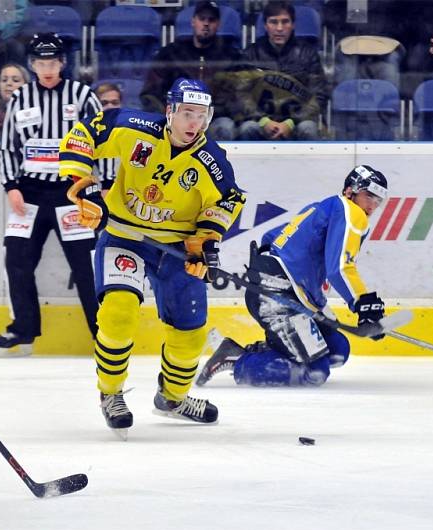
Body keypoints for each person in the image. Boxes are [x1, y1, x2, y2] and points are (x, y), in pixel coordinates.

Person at [59, 78, 246, 436]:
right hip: (124, 235)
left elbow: (227, 201)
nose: (194, 123)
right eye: (187, 113)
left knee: (190, 333)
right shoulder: (134, 127)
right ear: (170, 112)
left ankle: (173, 399)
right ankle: (110, 394)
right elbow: (83, 134)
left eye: (202, 115)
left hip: (176, 249)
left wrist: (204, 241)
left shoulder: (213, 162)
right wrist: (84, 186)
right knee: (118, 313)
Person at [196, 165, 388, 388]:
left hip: (281, 291)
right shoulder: (351, 211)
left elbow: (270, 237)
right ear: (350, 191)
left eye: (379, 200)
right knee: (313, 372)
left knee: (337, 350)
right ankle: (237, 359)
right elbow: (339, 268)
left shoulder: (323, 207)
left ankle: (274, 348)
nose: (373, 205)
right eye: (369, 195)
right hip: (276, 296)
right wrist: (363, 303)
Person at [0, 33, 101, 357]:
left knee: (87, 266)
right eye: (41, 63)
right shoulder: (20, 98)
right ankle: (23, 330)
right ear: (32, 64)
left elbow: (104, 138)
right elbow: (8, 147)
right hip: (30, 192)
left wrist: (105, 183)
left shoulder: (82, 96)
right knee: (17, 260)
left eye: (52, 62)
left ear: (63, 63)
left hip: (73, 194)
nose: (47, 69)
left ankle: (104, 332)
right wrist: (11, 186)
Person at [213, 0, 328, 141]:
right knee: (248, 127)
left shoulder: (308, 54)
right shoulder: (250, 54)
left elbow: (319, 96)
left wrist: (290, 123)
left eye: (285, 22)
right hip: (259, 120)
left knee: (308, 128)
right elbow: (240, 95)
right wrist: (264, 121)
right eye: (274, 22)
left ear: (293, 25)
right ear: (266, 25)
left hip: (296, 122)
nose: (279, 28)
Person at [139, 1, 241, 132]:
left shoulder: (231, 57)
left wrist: (211, 112)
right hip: (176, 118)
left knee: (226, 126)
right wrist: (169, 113)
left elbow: (238, 96)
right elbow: (150, 94)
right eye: (202, 19)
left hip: (215, 119)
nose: (206, 24)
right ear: (193, 21)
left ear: (218, 24)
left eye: (211, 20)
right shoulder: (171, 53)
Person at [93, 82, 122, 195]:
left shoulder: (127, 128)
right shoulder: (89, 130)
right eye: (104, 103)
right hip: (97, 192)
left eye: (115, 102)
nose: (110, 107)